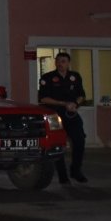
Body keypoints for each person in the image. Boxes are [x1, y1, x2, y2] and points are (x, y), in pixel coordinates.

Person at [38, 52, 89, 184]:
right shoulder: (47, 78)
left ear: (68, 63)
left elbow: (82, 95)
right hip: (55, 116)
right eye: (58, 61)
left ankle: (76, 170)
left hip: (71, 114)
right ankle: (62, 175)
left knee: (79, 141)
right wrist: (63, 103)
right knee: (58, 144)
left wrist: (75, 103)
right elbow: (43, 98)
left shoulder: (75, 76)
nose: (60, 63)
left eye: (63, 61)